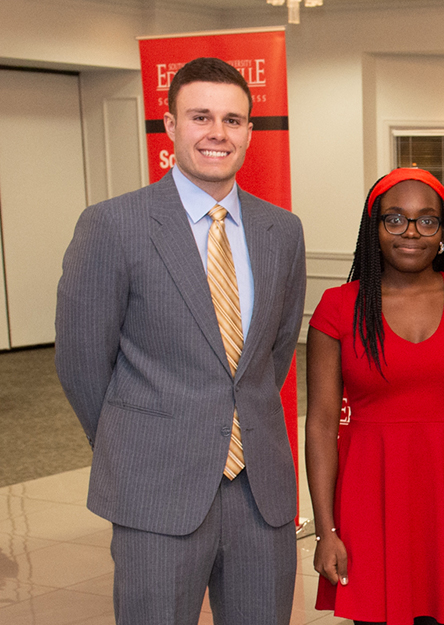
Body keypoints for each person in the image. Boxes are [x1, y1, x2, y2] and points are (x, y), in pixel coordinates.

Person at [55, 57, 306, 623]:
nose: (218, 133)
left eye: (233, 120)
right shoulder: (113, 226)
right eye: (200, 117)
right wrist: (139, 440)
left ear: (249, 131)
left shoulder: (281, 231)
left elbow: (274, 353)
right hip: (155, 488)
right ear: (170, 127)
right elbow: (81, 362)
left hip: (259, 492)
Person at [305, 168, 444, 625]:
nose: (411, 232)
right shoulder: (339, 307)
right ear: (373, 228)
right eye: (394, 219)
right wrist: (326, 529)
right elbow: (319, 423)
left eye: (426, 220)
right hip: (367, 494)